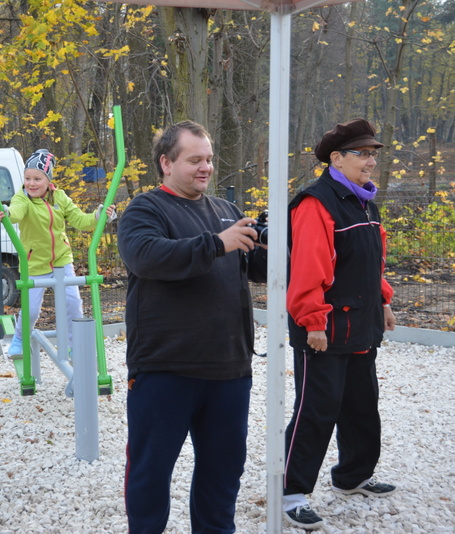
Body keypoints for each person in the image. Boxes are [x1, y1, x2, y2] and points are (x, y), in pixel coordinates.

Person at [117, 121, 267, 534]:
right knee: (150, 473)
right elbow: (146, 257)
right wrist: (217, 243)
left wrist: (278, 245)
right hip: (165, 368)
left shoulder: (225, 210)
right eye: (195, 159)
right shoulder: (145, 209)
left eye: (210, 159)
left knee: (224, 471)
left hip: (229, 369)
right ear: (166, 163)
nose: (206, 168)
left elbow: (257, 269)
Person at [283, 118, 397, 531]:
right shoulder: (316, 202)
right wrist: (312, 321)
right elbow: (308, 267)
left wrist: (384, 300)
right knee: (316, 411)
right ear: (336, 158)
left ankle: (353, 476)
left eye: (373, 154)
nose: (371, 162)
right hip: (325, 330)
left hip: (362, 324)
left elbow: (371, 260)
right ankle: (291, 492)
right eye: (362, 154)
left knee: (362, 406)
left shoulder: (365, 201)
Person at [0, 149, 114, 358]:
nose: (31, 184)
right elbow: (16, 213)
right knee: (31, 310)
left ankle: (74, 346)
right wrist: (6, 213)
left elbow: (80, 221)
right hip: (34, 262)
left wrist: (97, 215)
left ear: (48, 180)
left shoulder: (60, 197)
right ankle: (20, 338)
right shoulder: (22, 198)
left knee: (73, 303)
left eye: (37, 179)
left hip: (61, 260)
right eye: (27, 178)